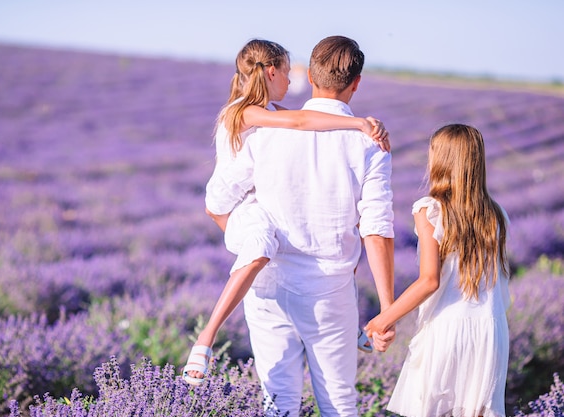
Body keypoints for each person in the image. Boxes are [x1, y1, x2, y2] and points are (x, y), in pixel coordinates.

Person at [202, 36, 395, 416]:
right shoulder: (370, 142)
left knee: (279, 403)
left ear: (308, 75)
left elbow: (218, 200)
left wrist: (246, 237)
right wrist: (386, 311)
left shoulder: (265, 129)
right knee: (339, 403)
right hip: (330, 291)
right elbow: (376, 229)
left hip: (268, 286)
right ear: (357, 82)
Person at [365, 124, 510, 417]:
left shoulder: (430, 209)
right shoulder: (496, 214)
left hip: (448, 326)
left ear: (441, 159)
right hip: (490, 331)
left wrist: (382, 320)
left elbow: (429, 280)